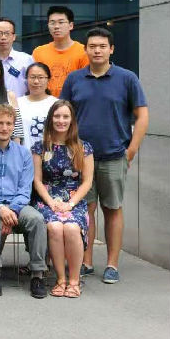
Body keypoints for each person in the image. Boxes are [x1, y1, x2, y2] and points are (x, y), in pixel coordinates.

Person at [60, 28, 148, 284]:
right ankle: (86, 261)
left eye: (102, 46)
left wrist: (131, 150)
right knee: (85, 210)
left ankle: (112, 264)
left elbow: (142, 115)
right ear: (85, 50)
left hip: (114, 155)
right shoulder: (74, 79)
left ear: (111, 49)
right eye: (92, 46)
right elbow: (62, 115)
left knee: (112, 209)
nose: (97, 50)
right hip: (81, 158)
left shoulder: (127, 78)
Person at [0, 104, 48, 299]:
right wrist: (0, 208)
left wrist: (11, 210)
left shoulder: (24, 154)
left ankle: (37, 274)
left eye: (8, 123)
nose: (4, 128)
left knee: (37, 219)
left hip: (17, 204)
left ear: (14, 126)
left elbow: (25, 189)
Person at [32, 100, 94, 298]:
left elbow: (87, 182)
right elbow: (37, 180)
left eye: (65, 116)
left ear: (72, 120)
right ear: (51, 119)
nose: (61, 120)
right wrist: (51, 202)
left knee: (72, 228)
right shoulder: (40, 147)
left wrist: (70, 204)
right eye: (57, 116)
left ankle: (74, 281)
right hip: (46, 199)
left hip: (73, 200)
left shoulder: (83, 148)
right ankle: (60, 279)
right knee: (55, 227)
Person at [31, 6, 89, 97]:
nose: (56, 26)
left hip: (72, 102)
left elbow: (86, 83)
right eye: (52, 23)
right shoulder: (39, 52)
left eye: (61, 22)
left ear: (71, 25)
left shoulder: (83, 52)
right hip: (45, 102)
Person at [17, 62, 58, 149]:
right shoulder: (17, 103)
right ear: (26, 79)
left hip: (47, 154)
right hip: (21, 154)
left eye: (40, 77)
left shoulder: (56, 104)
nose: (36, 81)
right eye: (32, 77)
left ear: (48, 80)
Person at [0, 17, 34, 98]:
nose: (3, 37)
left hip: (19, 105)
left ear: (14, 36)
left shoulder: (26, 60)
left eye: (7, 33)